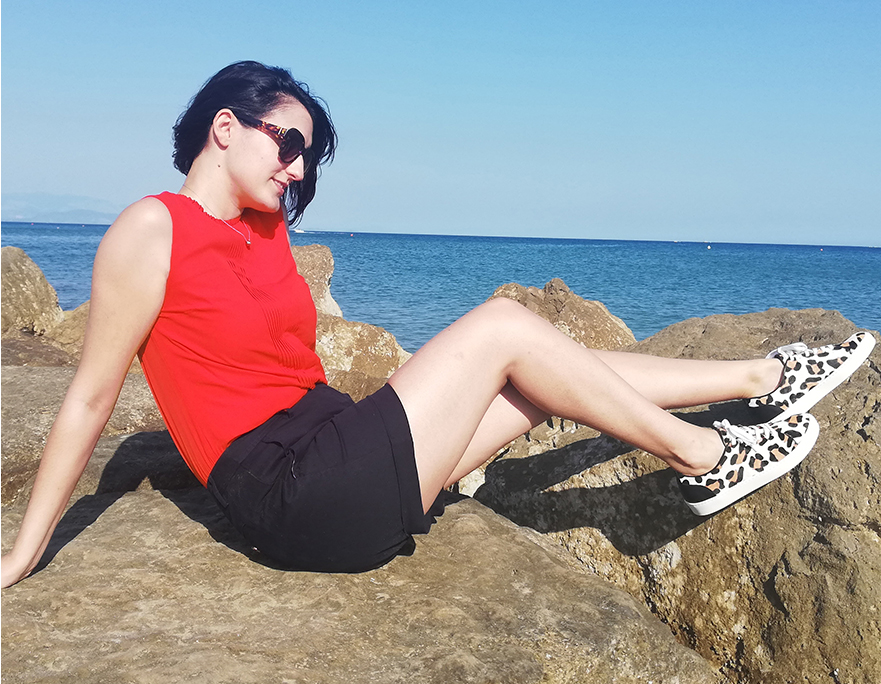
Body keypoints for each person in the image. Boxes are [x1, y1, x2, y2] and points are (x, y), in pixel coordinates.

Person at [1, 61, 875, 586]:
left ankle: (762, 378)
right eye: (289, 145)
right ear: (223, 129)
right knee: (501, 326)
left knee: (545, 376)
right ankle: (704, 457)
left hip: (336, 452)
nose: (299, 171)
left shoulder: (265, 231)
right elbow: (88, 399)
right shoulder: (149, 229)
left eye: (309, 158)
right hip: (292, 493)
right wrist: (22, 553)